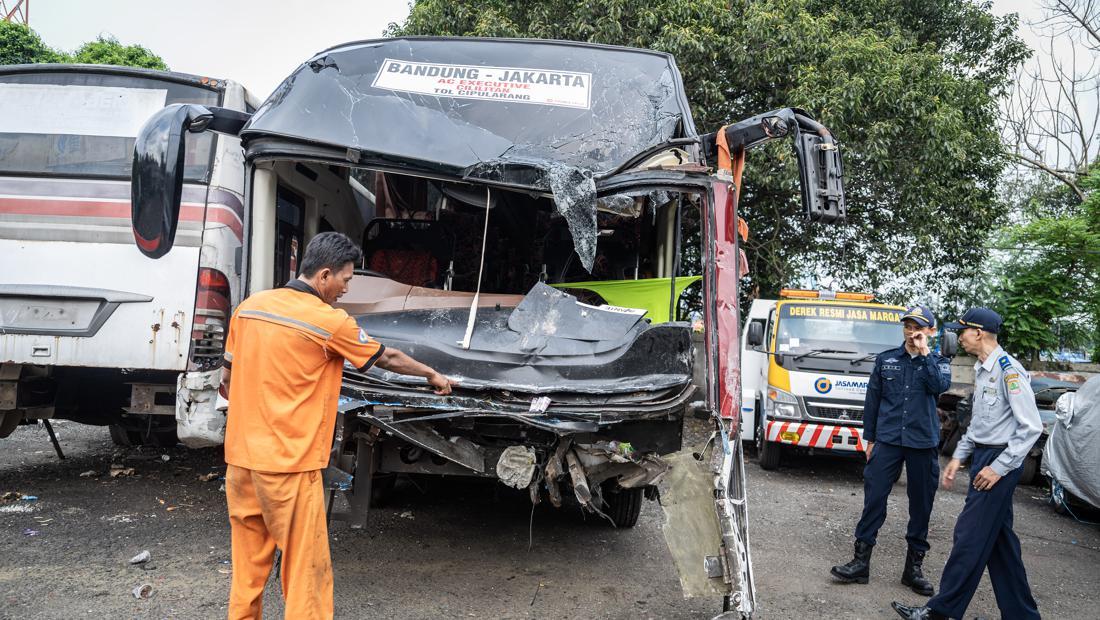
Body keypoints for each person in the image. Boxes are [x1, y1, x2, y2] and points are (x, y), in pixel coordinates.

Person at [220, 232, 453, 620]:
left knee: (247, 566)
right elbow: (388, 357)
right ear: (324, 275)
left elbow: (227, 379)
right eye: (345, 280)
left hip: (241, 462)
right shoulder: (329, 321)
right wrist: (432, 374)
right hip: (289, 468)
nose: (346, 289)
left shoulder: (250, 307)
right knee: (306, 570)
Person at [893, 307, 1042, 620]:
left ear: (979, 333)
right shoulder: (983, 368)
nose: (958, 337)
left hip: (1000, 460)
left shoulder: (1008, 370)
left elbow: (1030, 427)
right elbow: (980, 422)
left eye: (963, 331)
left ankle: (942, 612)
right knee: (1001, 544)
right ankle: (1023, 616)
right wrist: (960, 455)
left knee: (969, 536)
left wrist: (999, 468)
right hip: (986, 456)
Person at [831, 306, 952, 595]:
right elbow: (873, 400)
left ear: (931, 331)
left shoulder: (938, 362)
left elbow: (939, 387)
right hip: (887, 440)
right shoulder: (886, 360)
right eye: (908, 326)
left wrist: (924, 354)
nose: (912, 332)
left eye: (918, 327)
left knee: (921, 505)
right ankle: (860, 563)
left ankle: (913, 570)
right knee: (874, 500)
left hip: (922, 443)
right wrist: (869, 438)